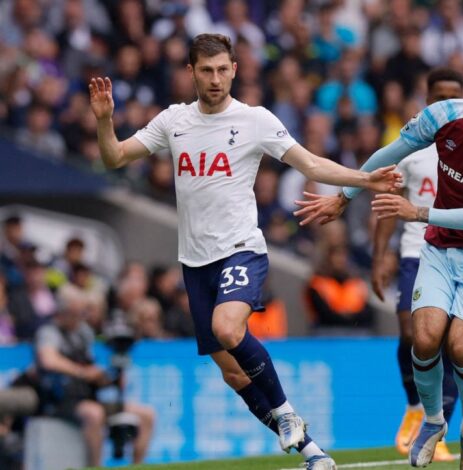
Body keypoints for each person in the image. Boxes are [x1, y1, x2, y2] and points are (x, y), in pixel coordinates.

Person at [89, 33, 401, 470]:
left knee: (229, 328)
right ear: (191, 73)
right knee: (234, 373)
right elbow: (114, 158)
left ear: (234, 69)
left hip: (241, 250)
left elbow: (310, 163)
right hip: (194, 264)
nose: (215, 79)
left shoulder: (254, 120)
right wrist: (105, 122)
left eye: (222, 69)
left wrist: (365, 181)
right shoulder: (174, 121)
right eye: (206, 70)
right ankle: (314, 454)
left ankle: (286, 410)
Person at [296, 52, 463, 470]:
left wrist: (418, 213)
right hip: (441, 249)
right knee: (423, 339)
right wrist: (343, 196)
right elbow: (389, 153)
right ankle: (431, 421)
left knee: (462, 348)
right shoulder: (443, 116)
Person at [370, 68, 463, 462]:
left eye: (453, 98)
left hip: (462, 257)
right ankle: (415, 406)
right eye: (438, 97)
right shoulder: (408, 148)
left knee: (454, 347)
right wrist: (379, 256)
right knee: (412, 333)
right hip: (415, 252)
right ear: (427, 100)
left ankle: (438, 429)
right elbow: (389, 206)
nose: (445, 106)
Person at [35, 285, 156, 466]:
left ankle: (136, 467)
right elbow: (48, 361)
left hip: (89, 396)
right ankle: (95, 467)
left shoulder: (83, 332)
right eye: (76, 313)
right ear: (63, 311)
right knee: (95, 414)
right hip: (60, 400)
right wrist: (82, 372)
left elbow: (94, 366)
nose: (80, 318)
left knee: (147, 415)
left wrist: (108, 379)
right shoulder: (48, 332)